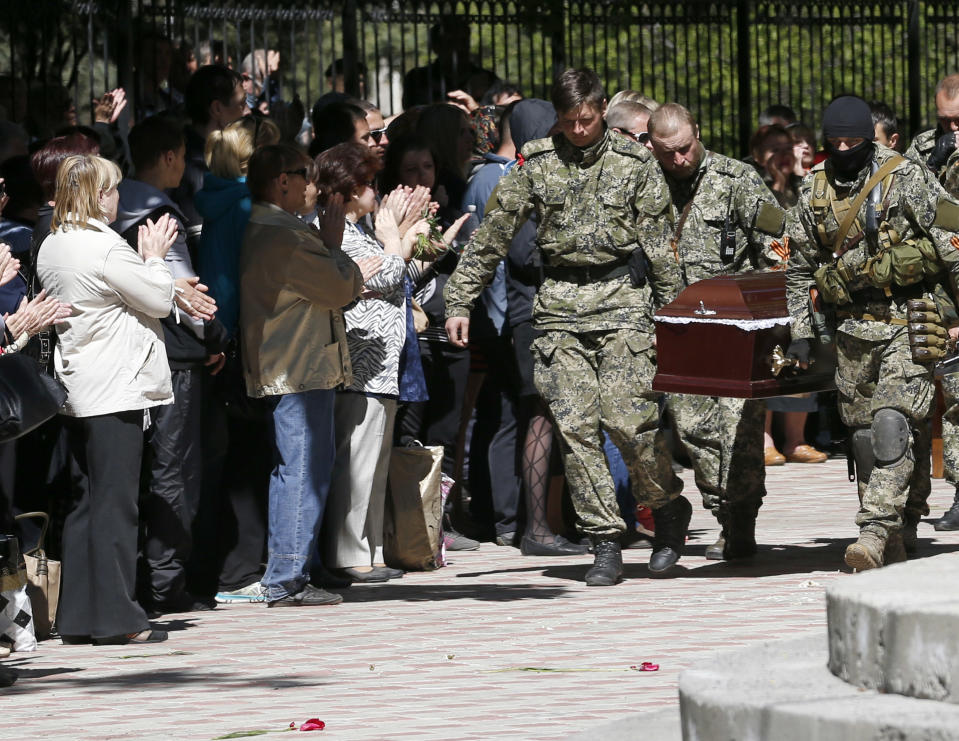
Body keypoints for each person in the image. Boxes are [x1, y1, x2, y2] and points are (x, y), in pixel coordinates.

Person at [444, 68, 690, 585]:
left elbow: (663, 249)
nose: (578, 129)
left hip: (622, 300)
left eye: (586, 119)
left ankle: (666, 509)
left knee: (629, 422)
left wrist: (672, 319)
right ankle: (605, 539)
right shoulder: (537, 166)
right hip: (559, 307)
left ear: (602, 109)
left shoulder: (635, 165)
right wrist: (460, 299)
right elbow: (492, 236)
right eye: (568, 121)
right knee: (576, 427)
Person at [785, 95, 959, 570]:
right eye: (835, 142)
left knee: (892, 425)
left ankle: (875, 530)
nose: (844, 148)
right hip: (852, 333)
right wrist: (802, 332)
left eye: (853, 141)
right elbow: (799, 268)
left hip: (909, 319)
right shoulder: (814, 188)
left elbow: (954, 242)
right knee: (865, 439)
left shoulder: (907, 177)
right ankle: (901, 527)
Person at [37, 154, 178, 643]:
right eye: (115, 189)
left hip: (78, 388)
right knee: (116, 506)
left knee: (83, 506)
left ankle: (77, 617)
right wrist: (156, 257)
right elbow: (159, 299)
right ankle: (118, 617)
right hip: (115, 387)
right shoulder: (105, 247)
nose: (120, 197)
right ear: (99, 196)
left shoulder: (53, 243)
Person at [645, 103, 788, 561]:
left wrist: (774, 319)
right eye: (668, 153)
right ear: (653, 148)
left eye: (685, 148)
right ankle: (721, 505)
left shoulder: (737, 180)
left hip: (734, 329)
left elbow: (776, 246)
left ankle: (740, 520)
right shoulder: (646, 185)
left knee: (740, 429)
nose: (679, 160)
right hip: (677, 328)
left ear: (698, 134)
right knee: (693, 427)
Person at [238, 144, 376, 607]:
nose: (313, 187)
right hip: (296, 369)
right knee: (301, 473)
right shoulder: (285, 235)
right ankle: (286, 580)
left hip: (294, 365)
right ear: (282, 181)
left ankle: (292, 572)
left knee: (296, 471)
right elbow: (341, 286)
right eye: (305, 176)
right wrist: (335, 247)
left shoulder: (276, 228)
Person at [112, 114, 224, 614]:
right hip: (175, 357)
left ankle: (141, 576)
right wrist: (217, 336)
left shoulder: (114, 210)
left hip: (125, 355)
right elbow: (185, 297)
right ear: (170, 156)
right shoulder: (160, 214)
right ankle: (166, 584)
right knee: (175, 471)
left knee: (140, 471)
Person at [316, 143, 434, 582]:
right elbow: (376, 276)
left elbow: (394, 274)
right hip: (359, 363)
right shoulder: (335, 232)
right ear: (347, 189)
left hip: (381, 365)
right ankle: (349, 552)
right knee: (356, 461)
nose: (375, 193)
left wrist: (400, 237)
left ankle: (372, 546)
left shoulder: (359, 230)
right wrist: (394, 237)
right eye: (367, 184)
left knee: (375, 462)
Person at [190, 115, 280, 604]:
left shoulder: (211, 199)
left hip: (217, 337)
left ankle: (227, 568)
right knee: (248, 459)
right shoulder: (248, 206)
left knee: (226, 459)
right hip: (241, 339)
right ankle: (243, 570)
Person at [903, 74, 959, 534]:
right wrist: (934, 164)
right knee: (947, 398)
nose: (952, 130)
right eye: (945, 121)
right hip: (939, 287)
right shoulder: (923, 150)